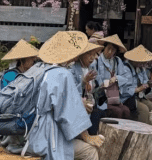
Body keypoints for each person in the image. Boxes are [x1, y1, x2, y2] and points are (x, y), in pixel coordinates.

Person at [25, 31, 105, 160]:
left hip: (27, 133)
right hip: (44, 138)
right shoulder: (62, 74)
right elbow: (68, 113)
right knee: (89, 151)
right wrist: (86, 136)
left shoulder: (37, 68)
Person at [91, 34, 130, 119]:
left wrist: (116, 78)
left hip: (114, 97)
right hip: (102, 98)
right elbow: (94, 83)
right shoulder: (96, 62)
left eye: (113, 50)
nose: (110, 52)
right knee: (117, 112)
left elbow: (126, 78)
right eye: (108, 48)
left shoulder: (117, 61)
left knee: (126, 111)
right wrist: (104, 85)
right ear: (104, 48)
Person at [69, 39, 104, 134]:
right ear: (82, 55)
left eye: (94, 54)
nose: (92, 58)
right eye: (89, 55)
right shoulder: (73, 69)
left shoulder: (91, 68)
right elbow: (71, 91)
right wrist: (84, 81)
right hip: (78, 105)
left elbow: (93, 89)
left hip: (91, 102)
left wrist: (101, 87)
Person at [121, 44, 152, 123]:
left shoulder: (141, 68)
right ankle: (142, 129)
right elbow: (124, 90)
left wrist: (150, 84)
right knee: (144, 110)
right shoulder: (125, 69)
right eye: (141, 61)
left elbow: (145, 83)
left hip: (140, 97)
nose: (143, 63)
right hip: (128, 98)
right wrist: (137, 89)